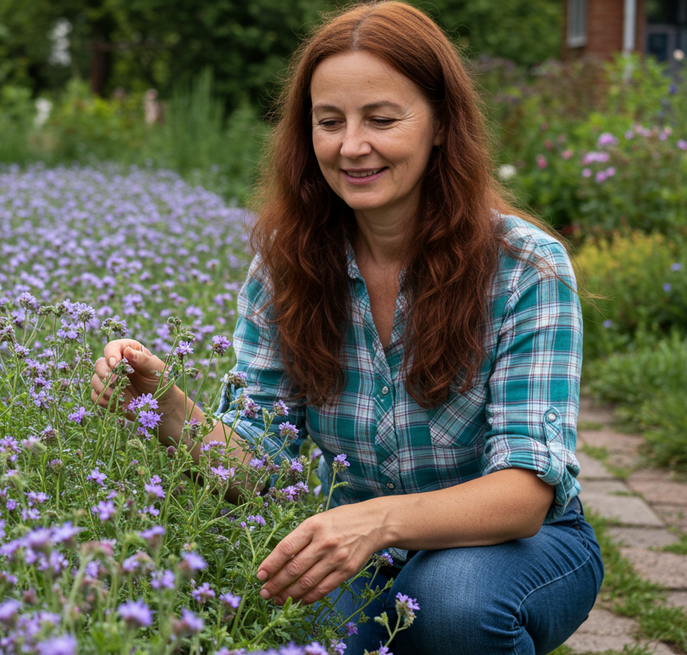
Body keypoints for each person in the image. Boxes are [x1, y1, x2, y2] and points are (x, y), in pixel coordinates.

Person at [89, 2, 604, 653]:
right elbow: (254, 464)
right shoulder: (290, 262)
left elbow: (525, 492)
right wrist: (158, 400)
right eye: (329, 122)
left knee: (450, 605)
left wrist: (377, 520)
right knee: (293, 618)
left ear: (441, 123)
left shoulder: (525, 266)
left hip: (520, 544)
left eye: (382, 119)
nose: (351, 145)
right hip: (362, 543)